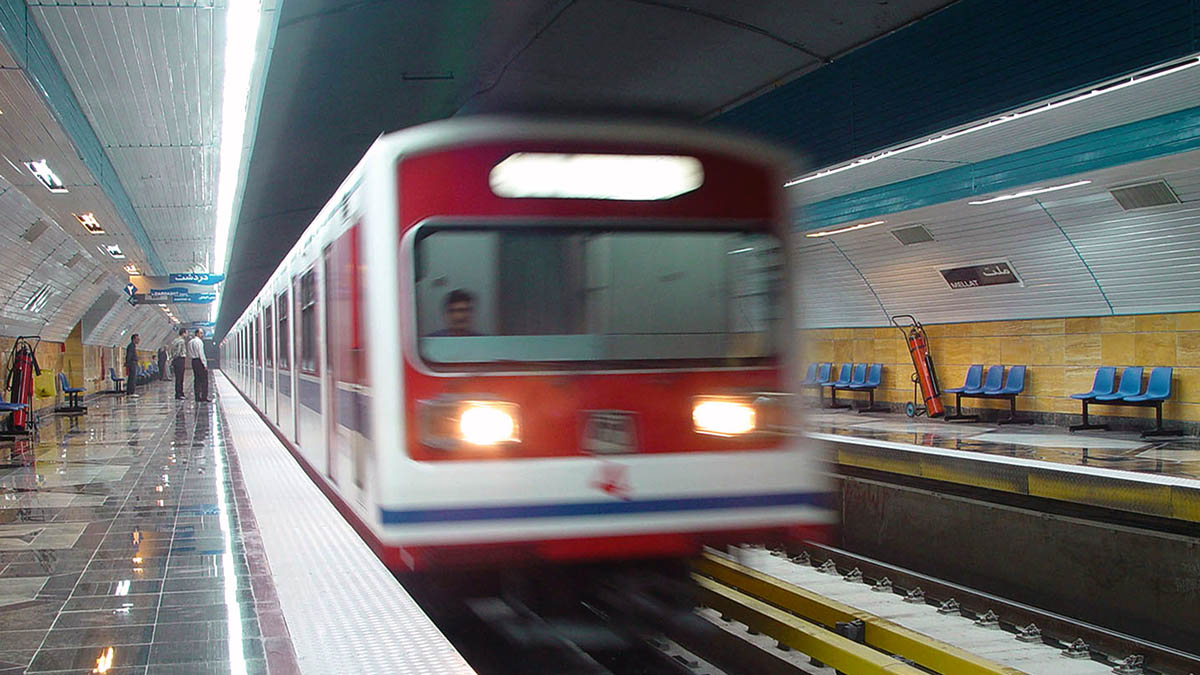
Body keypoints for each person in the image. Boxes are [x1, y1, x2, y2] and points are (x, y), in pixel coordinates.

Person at [187, 329, 209, 402]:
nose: (202, 335)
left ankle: (197, 397)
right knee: (204, 380)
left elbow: (189, 353)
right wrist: (204, 364)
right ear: (197, 333)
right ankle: (204, 397)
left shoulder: (190, 342)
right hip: (199, 361)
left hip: (194, 361)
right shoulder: (199, 342)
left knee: (197, 380)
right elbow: (201, 353)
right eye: (201, 333)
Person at [170, 328, 188, 400]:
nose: (187, 334)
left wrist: (173, 358)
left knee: (178, 377)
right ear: (183, 333)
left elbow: (172, 350)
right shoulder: (181, 341)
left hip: (175, 360)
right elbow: (179, 351)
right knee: (180, 378)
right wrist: (178, 357)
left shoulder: (175, 340)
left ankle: (178, 393)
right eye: (186, 333)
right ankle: (179, 393)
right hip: (180, 360)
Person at [124, 333, 140, 398]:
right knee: (132, 378)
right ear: (134, 339)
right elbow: (129, 356)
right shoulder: (131, 346)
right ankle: (131, 392)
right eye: (137, 339)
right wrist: (128, 363)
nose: (139, 340)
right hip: (132, 363)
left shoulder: (132, 346)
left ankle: (130, 391)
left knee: (132, 378)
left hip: (132, 363)